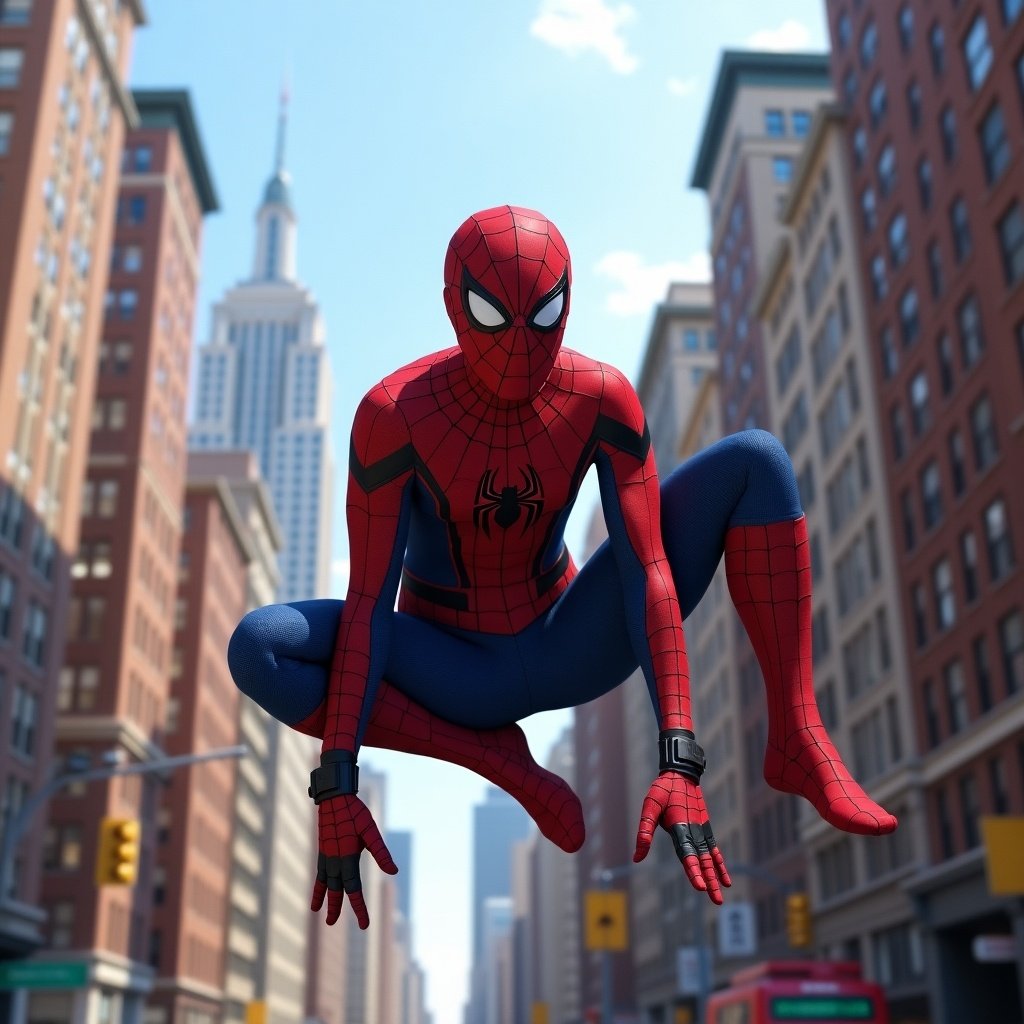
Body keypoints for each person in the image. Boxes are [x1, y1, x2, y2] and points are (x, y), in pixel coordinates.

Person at [227, 205, 896, 930]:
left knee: (757, 461)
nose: (520, 347)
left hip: (568, 638)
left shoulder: (601, 397)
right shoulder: (395, 414)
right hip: (455, 670)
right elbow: (367, 604)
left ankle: (796, 736)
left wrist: (680, 757)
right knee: (259, 644)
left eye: (543, 316)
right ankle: (499, 761)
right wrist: (337, 782)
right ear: (455, 307)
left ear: (568, 301)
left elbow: (650, 569)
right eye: (493, 315)